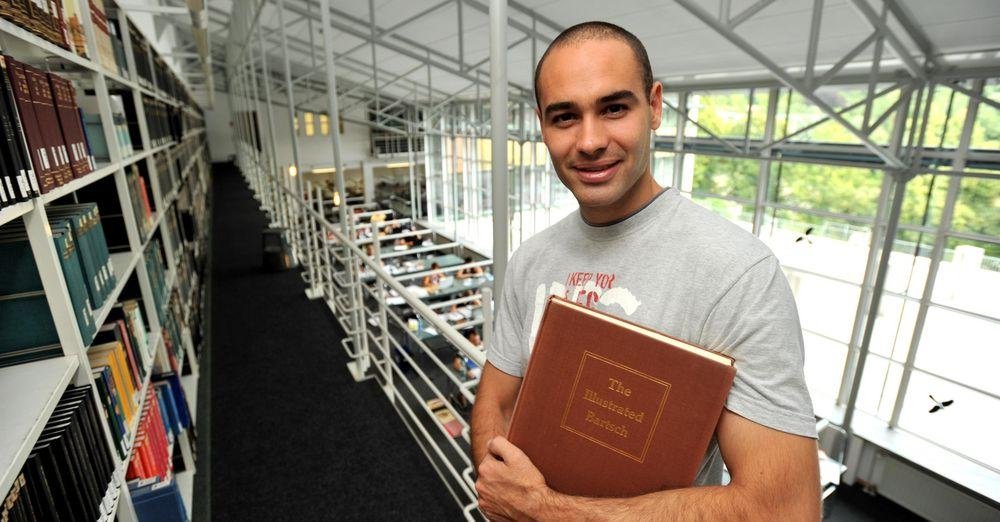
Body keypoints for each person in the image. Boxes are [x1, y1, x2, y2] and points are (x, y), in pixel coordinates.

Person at [470, 21, 820, 520]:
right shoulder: (532, 258)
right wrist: (499, 485)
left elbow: (784, 509)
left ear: (654, 106)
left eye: (614, 108)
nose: (589, 141)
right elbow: (496, 402)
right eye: (565, 116)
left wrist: (545, 510)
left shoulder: (738, 273)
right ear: (541, 125)